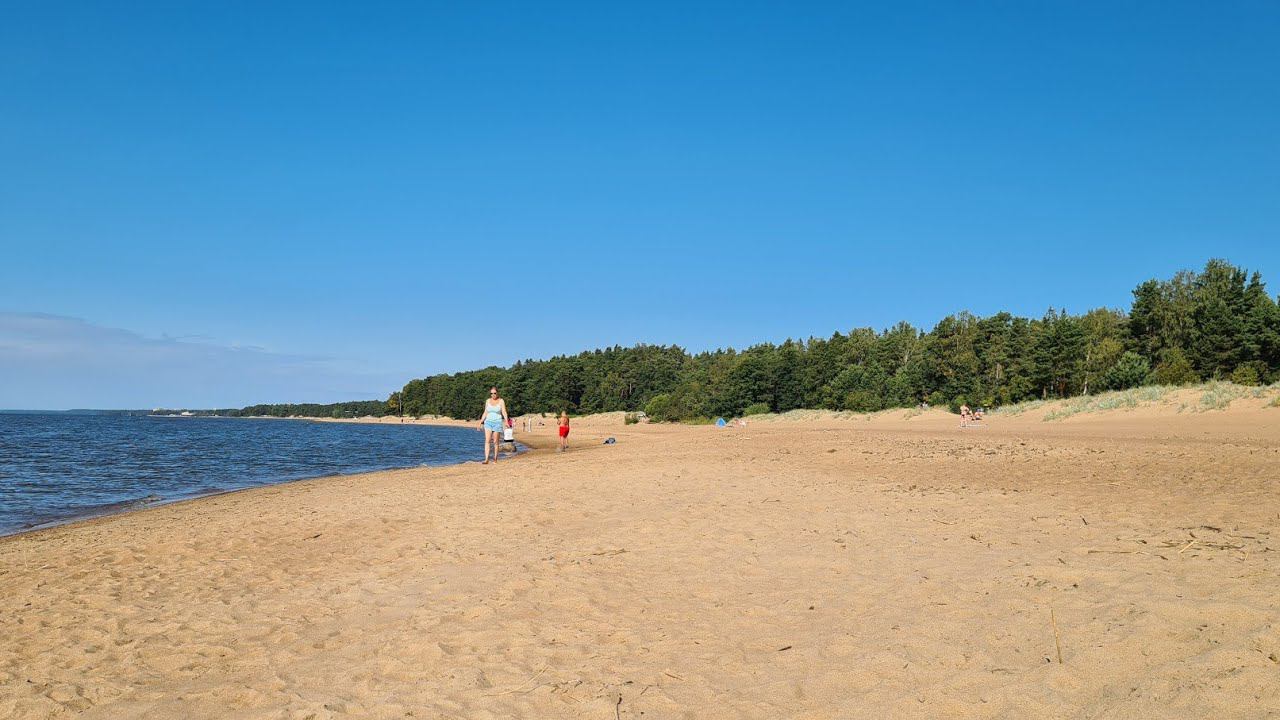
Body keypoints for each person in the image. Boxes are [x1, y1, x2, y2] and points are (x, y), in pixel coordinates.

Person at [478, 387, 508, 464]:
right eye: (491, 393)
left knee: (495, 442)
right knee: (487, 441)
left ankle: (495, 459)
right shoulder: (488, 401)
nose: (493, 395)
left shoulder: (501, 401)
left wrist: (506, 421)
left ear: (497, 393)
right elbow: (485, 412)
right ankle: (486, 459)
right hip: (488, 422)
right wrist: (480, 422)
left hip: (497, 423)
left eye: (494, 393)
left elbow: (504, 412)